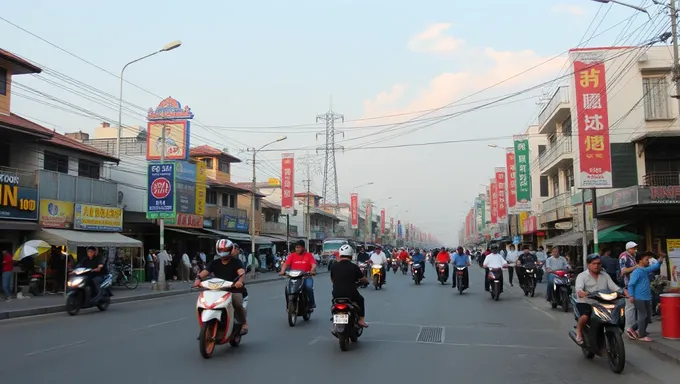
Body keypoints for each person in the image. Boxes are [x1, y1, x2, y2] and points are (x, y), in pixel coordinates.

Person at [194, 239, 248, 334]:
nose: (223, 252)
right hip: (218, 289)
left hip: (234, 290)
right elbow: (205, 272)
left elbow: (241, 273)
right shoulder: (215, 262)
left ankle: (244, 323)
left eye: (226, 249)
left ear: (230, 249)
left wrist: (239, 281)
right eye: (221, 249)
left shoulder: (237, 262)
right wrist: (198, 279)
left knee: (237, 304)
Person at [573, 254, 621, 345]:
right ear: (588, 265)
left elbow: (614, 287)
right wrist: (582, 293)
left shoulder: (605, 275)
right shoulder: (582, 276)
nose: (596, 266)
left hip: (602, 302)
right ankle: (579, 333)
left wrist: (624, 292)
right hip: (586, 302)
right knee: (585, 317)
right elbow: (579, 290)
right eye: (594, 263)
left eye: (598, 263)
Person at [627, 251, 663, 341]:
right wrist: (631, 296)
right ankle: (641, 335)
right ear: (640, 261)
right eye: (646, 260)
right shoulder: (637, 272)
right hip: (639, 298)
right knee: (643, 316)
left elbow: (653, 267)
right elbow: (631, 284)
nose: (648, 261)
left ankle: (633, 329)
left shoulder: (644, 270)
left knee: (647, 316)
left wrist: (659, 261)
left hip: (646, 297)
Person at [330, 244, 369, 328]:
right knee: (361, 300)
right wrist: (366, 282)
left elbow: (332, 280)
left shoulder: (334, 266)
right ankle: (361, 320)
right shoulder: (354, 267)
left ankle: (334, 317)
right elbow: (363, 279)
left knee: (334, 302)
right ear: (351, 255)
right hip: (351, 294)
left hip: (337, 294)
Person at [279, 240, 317, 308]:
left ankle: (312, 303)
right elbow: (286, 264)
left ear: (303, 248)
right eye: (296, 247)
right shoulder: (292, 255)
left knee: (308, 287)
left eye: (299, 247)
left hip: (306, 277)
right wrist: (282, 271)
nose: (297, 249)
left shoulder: (308, 255)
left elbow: (313, 264)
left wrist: (312, 270)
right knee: (287, 289)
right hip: (294, 277)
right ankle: (289, 304)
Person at [619, 241, 639, 337]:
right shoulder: (624, 257)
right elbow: (623, 271)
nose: (635, 250)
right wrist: (636, 267)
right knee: (630, 307)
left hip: (635, 284)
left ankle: (634, 327)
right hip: (628, 284)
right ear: (628, 248)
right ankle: (628, 328)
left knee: (634, 306)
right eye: (633, 248)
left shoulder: (633, 257)